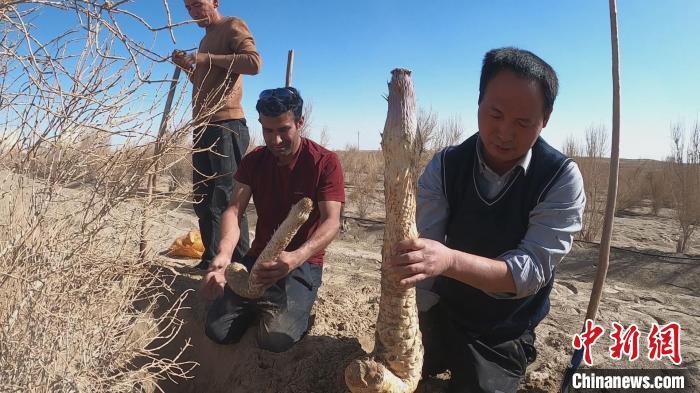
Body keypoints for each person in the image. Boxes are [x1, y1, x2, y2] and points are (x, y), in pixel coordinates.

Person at [387, 47, 586, 392]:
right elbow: (423, 256)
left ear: (546, 119)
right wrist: (411, 320)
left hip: (504, 328)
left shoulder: (560, 178)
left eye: (523, 123)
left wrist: (447, 259)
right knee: (390, 366)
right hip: (446, 311)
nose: (505, 133)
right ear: (478, 102)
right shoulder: (446, 165)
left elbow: (528, 272)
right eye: (495, 114)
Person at [201, 87, 345, 353]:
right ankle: (263, 303)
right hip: (259, 257)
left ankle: (296, 309)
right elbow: (234, 209)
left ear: (300, 123)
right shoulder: (254, 160)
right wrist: (224, 254)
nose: (275, 140)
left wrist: (296, 257)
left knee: (275, 339)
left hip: (301, 262)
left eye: (283, 130)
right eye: (268, 131)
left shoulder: (325, 162)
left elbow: (331, 221)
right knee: (217, 330)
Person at [172, 0, 261, 270]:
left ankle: (239, 263)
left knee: (228, 199)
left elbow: (254, 63)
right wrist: (187, 66)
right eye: (188, 8)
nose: (194, 12)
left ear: (215, 2)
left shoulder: (232, 25)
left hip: (226, 124)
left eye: (198, 4)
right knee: (203, 197)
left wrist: (205, 59)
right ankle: (210, 259)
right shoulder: (205, 40)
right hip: (202, 125)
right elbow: (203, 82)